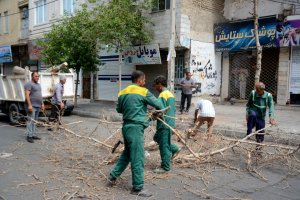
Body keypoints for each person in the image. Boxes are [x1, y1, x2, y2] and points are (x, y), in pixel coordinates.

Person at [108, 70, 163, 197]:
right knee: (138, 156)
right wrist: (151, 111)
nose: (144, 83)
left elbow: (119, 109)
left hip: (126, 126)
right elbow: (158, 104)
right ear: (139, 80)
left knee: (127, 153)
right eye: (144, 80)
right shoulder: (143, 91)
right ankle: (137, 188)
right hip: (136, 128)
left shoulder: (122, 92)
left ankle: (113, 176)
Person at [152, 75, 180, 174]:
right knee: (156, 138)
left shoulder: (162, 94)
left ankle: (165, 167)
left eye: (155, 85)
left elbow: (160, 110)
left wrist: (152, 115)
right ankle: (174, 148)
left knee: (163, 145)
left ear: (159, 85)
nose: (155, 88)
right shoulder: (170, 94)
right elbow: (173, 109)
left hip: (164, 123)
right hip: (170, 122)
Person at [24, 71, 44, 143]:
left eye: (38, 76)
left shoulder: (38, 85)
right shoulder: (29, 84)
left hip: (38, 105)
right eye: (36, 76)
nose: (37, 77)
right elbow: (27, 95)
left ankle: (33, 134)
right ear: (32, 76)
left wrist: (42, 104)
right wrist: (29, 105)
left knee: (35, 121)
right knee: (30, 121)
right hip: (32, 106)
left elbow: (40, 95)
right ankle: (29, 136)